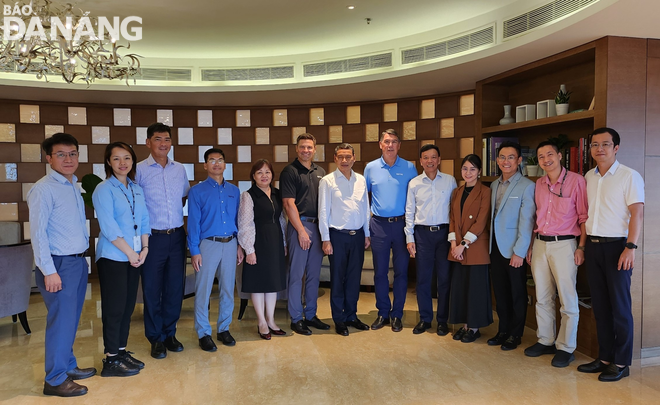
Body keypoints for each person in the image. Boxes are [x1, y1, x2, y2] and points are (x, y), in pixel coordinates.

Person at [27, 133, 96, 397]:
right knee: (61, 321)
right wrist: (49, 270)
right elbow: (39, 234)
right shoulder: (43, 189)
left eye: (73, 153)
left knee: (70, 320)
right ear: (48, 158)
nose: (68, 159)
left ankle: (67, 366)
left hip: (76, 262)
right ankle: (55, 380)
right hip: (58, 265)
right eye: (61, 154)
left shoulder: (72, 186)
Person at [577, 127, 644, 382]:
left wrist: (631, 247)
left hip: (619, 247)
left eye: (606, 144)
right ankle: (604, 358)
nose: (600, 149)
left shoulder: (629, 176)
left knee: (620, 307)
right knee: (601, 306)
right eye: (595, 144)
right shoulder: (588, 177)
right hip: (593, 247)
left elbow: (637, 213)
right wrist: (583, 247)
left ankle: (621, 362)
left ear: (616, 147)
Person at [524, 141, 588, 368]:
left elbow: (583, 217)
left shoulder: (577, 181)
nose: (545, 159)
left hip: (565, 245)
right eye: (540, 156)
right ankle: (546, 340)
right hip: (541, 243)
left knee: (567, 299)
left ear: (560, 156)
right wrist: (531, 246)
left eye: (549, 154)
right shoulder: (538, 184)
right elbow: (535, 217)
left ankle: (566, 347)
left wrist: (581, 247)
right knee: (542, 297)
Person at [93, 142, 149, 377]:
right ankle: (111, 359)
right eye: (116, 159)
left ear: (133, 161)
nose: (122, 163)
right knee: (114, 308)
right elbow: (108, 227)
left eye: (127, 158)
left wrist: (145, 249)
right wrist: (130, 252)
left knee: (127, 307)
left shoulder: (136, 188)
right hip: (114, 256)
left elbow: (145, 220)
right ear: (108, 162)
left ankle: (121, 351)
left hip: (135, 255)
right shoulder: (103, 189)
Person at [136, 123, 190, 359]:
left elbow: (183, 197)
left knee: (174, 288)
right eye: (158, 139)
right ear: (148, 143)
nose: (163, 144)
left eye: (167, 139)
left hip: (177, 236)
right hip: (152, 239)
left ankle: (170, 333)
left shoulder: (179, 169)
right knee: (152, 288)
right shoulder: (138, 170)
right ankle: (155, 337)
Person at [187, 148, 243, 352]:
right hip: (207, 245)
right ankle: (203, 332)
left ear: (225, 165)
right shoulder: (196, 191)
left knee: (228, 289)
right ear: (205, 165)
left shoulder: (234, 191)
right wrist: (194, 250)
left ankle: (224, 328)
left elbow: (238, 220)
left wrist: (239, 245)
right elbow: (193, 223)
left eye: (220, 160)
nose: (216, 164)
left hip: (230, 244)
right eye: (212, 160)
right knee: (203, 290)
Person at [364, 129, 418, 332]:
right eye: (386, 141)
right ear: (380, 144)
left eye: (394, 142)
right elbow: (364, 198)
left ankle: (397, 314)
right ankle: (382, 312)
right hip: (378, 225)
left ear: (399, 145)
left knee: (402, 272)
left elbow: (414, 198)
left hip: (401, 225)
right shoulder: (370, 168)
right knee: (380, 273)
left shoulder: (410, 167)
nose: (390, 145)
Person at [318, 144, 371, 336]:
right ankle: (338, 319)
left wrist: (367, 234)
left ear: (354, 158)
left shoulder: (361, 180)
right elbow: (323, 211)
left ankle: (351, 315)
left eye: (348, 157)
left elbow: (365, 208)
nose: (344, 160)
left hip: (357, 236)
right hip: (337, 237)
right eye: (341, 157)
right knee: (338, 279)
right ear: (335, 159)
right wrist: (326, 239)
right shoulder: (327, 181)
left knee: (353, 279)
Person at [404, 144, 456, 336]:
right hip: (422, 235)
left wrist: (453, 238)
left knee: (444, 279)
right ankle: (425, 319)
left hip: (444, 234)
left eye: (433, 157)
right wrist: (410, 238)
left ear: (439, 159)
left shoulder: (450, 181)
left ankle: (442, 320)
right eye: (426, 158)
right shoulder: (414, 183)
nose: (430, 161)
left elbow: (454, 211)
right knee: (423, 280)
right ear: (421, 161)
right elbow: (409, 211)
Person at [280, 133, 329, 336]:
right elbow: (288, 204)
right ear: (296, 149)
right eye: (302, 147)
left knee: (314, 276)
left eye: (309, 147)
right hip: (299, 226)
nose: (306, 150)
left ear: (315, 149)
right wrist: (300, 231)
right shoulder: (290, 171)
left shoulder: (321, 172)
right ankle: (296, 318)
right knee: (297, 275)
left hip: (318, 227)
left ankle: (311, 314)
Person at [488, 141, 536, 350]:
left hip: (514, 250)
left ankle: (515, 334)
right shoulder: (493, 185)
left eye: (511, 158)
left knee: (517, 293)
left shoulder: (527, 186)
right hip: (495, 248)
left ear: (519, 160)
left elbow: (527, 222)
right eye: (502, 158)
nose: (506, 162)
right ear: (497, 161)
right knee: (500, 292)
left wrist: (520, 251)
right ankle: (503, 329)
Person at [238, 159, 288, 340]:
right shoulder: (248, 195)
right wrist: (249, 249)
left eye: (267, 172)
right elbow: (245, 224)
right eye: (259, 172)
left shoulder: (277, 194)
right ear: (253, 176)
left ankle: (271, 320)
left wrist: (283, 243)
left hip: (274, 241)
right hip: (257, 242)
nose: (264, 175)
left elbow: (282, 220)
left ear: (272, 175)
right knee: (258, 283)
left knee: (272, 283)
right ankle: (261, 322)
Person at [447, 154, 492, 343]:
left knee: (475, 289)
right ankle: (464, 324)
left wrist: (463, 245)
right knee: (461, 288)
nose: (468, 172)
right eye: (465, 168)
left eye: (472, 169)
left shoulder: (485, 192)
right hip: (457, 248)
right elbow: (453, 219)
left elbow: (481, 221)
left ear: (479, 172)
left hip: (474, 247)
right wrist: (453, 245)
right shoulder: (457, 191)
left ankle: (474, 327)